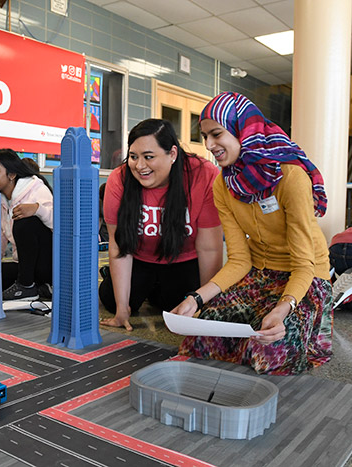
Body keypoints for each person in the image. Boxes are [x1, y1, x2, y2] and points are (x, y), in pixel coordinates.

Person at [172, 91, 333, 375]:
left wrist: (284, 308)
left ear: (243, 131)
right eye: (205, 136)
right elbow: (239, 260)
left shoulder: (291, 177)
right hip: (260, 272)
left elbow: (304, 264)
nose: (209, 145)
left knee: (267, 347)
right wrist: (195, 299)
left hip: (306, 277)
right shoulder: (224, 185)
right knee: (205, 336)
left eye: (216, 134)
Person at [99, 119, 223, 331]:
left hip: (183, 260)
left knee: (177, 307)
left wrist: (206, 305)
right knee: (110, 300)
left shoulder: (204, 174)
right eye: (133, 157)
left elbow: (209, 248)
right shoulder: (119, 179)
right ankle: (118, 278)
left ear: (172, 154)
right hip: (139, 258)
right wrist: (121, 309)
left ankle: (156, 290)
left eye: (149, 157)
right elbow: (119, 244)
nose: (140, 166)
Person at [0, 149, 54, 300]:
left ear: (11, 174)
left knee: (24, 220)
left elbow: (60, 226)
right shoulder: (1, 200)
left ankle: (28, 286)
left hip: (48, 266)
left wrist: (37, 209)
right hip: (24, 267)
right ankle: (38, 288)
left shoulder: (36, 189)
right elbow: (0, 239)